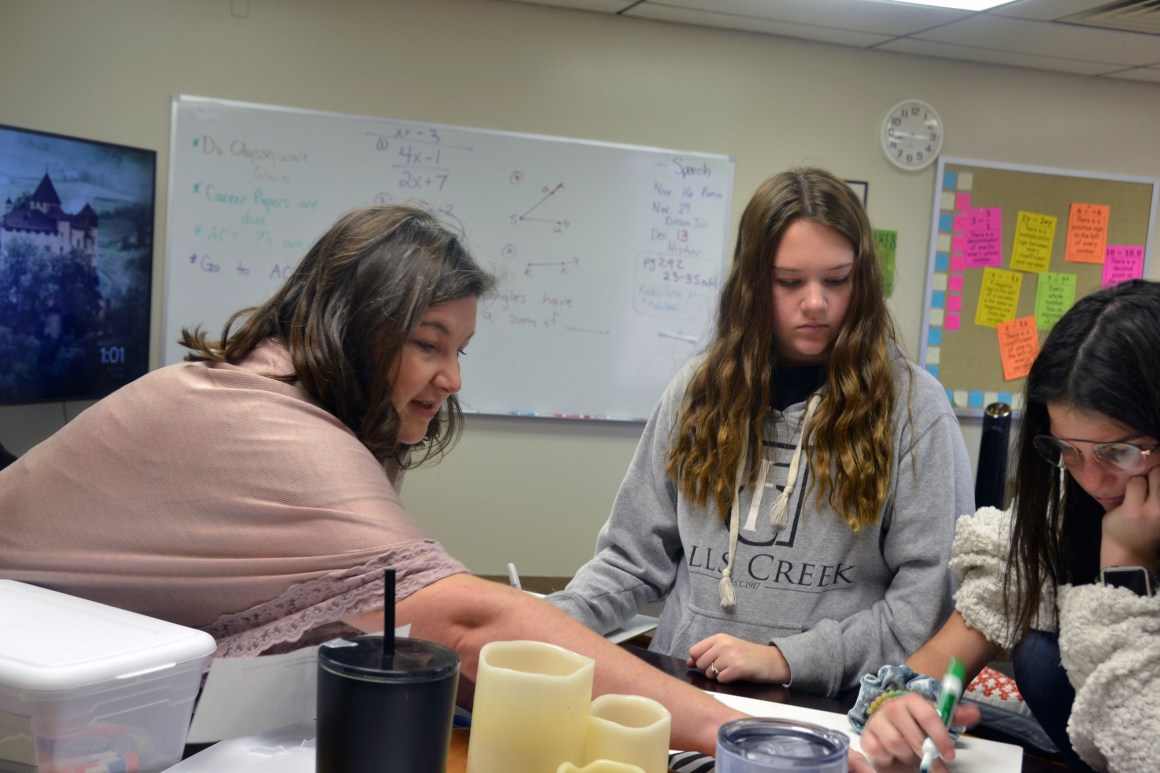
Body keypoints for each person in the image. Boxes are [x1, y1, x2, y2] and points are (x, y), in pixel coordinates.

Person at [0, 204, 760, 758]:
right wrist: (740, 734)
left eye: (460, 348)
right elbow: (467, 625)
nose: (453, 378)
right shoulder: (271, 431)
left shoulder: (264, 388)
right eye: (430, 344)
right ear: (356, 324)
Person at [547, 168, 974, 697]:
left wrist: (788, 660)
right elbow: (631, 559)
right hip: (689, 694)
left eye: (837, 280)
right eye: (789, 282)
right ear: (752, 283)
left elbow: (927, 604)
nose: (815, 303)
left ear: (862, 281)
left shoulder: (915, 409)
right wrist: (550, 622)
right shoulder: (696, 390)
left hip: (830, 708)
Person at [853, 278, 1160, 772]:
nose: (1092, 480)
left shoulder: (1119, 530)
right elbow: (945, 655)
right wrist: (895, 708)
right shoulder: (1063, 507)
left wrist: (1126, 571)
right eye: (1068, 452)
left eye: (1118, 452)